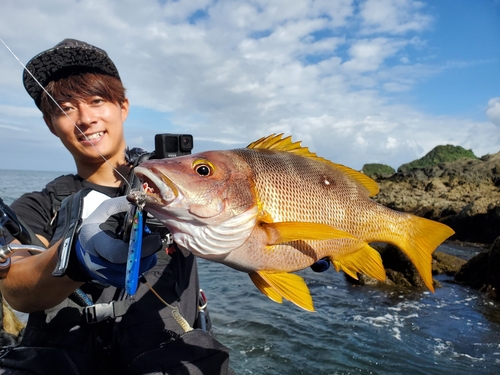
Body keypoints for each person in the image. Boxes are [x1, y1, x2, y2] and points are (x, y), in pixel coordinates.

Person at [0, 39, 230, 375]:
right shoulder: (39, 203)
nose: (85, 118)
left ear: (123, 106)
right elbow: (15, 288)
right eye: (64, 108)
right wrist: (75, 259)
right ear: (51, 124)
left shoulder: (183, 181)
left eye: (96, 101)